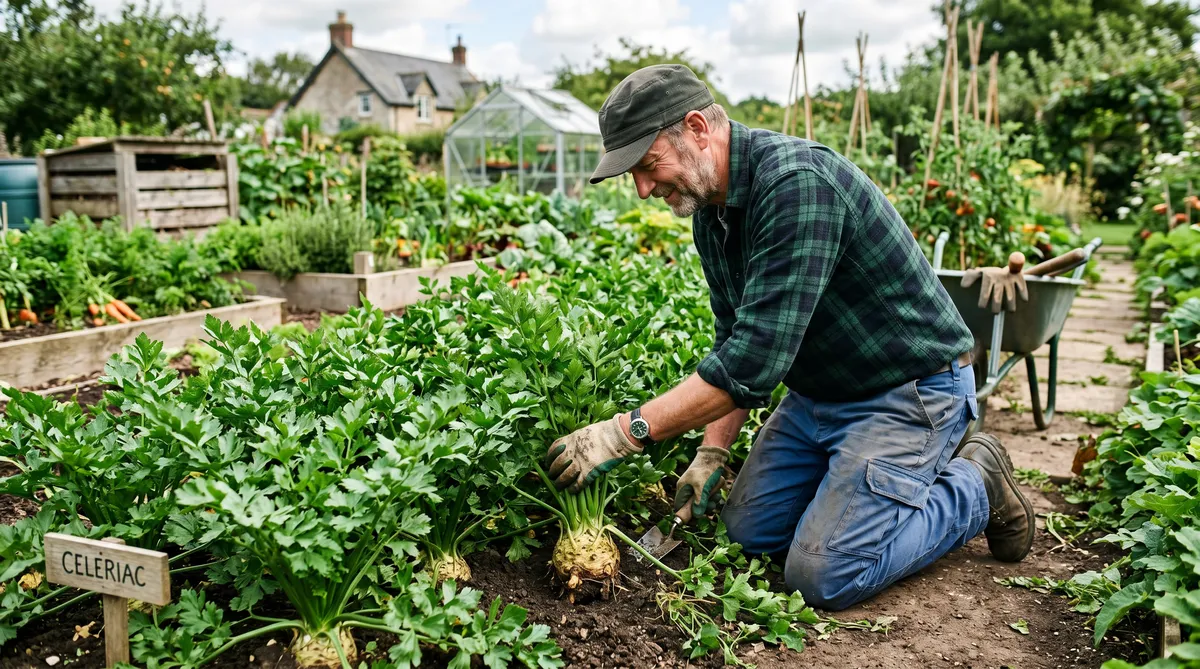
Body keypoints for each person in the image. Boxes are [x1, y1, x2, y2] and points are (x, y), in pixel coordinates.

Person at [543, 64, 1035, 610]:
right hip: (818, 398)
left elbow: (752, 364)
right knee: (745, 539)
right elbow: (736, 343)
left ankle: (975, 485)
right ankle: (858, 488)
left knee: (821, 575)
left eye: (648, 164)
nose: (642, 189)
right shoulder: (714, 215)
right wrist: (712, 453)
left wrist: (626, 431)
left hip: (908, 394)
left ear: (698, 129)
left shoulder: (798, 185)